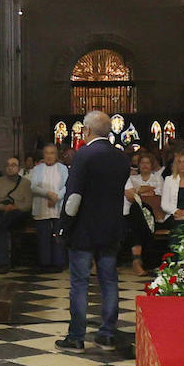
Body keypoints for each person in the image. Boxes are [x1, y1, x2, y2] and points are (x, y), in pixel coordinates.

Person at [56, 112, 129, 353]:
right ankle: (107, 334)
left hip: (84, 230)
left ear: (86, 130)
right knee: (109, 281)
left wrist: (64, 224)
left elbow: (74, 197)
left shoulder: (84, 155)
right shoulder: (121, 157)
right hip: (111, 228)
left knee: (79, 282)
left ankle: (76, 337)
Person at [124, 150, 165, 274]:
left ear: (152, 165)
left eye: (148, 163)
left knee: (138, 221)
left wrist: (140, 191)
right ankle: (138, 260)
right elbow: (132, 194)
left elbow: (158, 193)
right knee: (136, 215)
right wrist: (147, 190)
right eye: (142, 163)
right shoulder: (132, 178)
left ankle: (138, 260)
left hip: (154, 212)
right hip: (137, 211)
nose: (145, 166)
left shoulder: (157, 178)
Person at [28, 143, 67, 271]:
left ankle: (58, 263)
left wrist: (56, 197)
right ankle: (45, 263)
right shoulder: (37, 169)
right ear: (43, 155)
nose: (49, 156)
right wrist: (48, 194)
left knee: (57, 236)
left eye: (52, 153)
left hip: (57, 206)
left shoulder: (62, 168)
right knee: (43, 236)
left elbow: (66, 186)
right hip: (42, 206)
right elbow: (34, 187)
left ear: (56, 155)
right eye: (47, 153)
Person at [0, 156, 32, 274]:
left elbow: (27, 205)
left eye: (13, 165)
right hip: (2, 213)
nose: (10, 168)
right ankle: (4, 263)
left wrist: (14, 207)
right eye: (8, 165)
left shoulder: (25, 183)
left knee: (0, 226)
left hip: (18, 214)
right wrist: (4, 207)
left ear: (19, 168)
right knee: (2, 228)